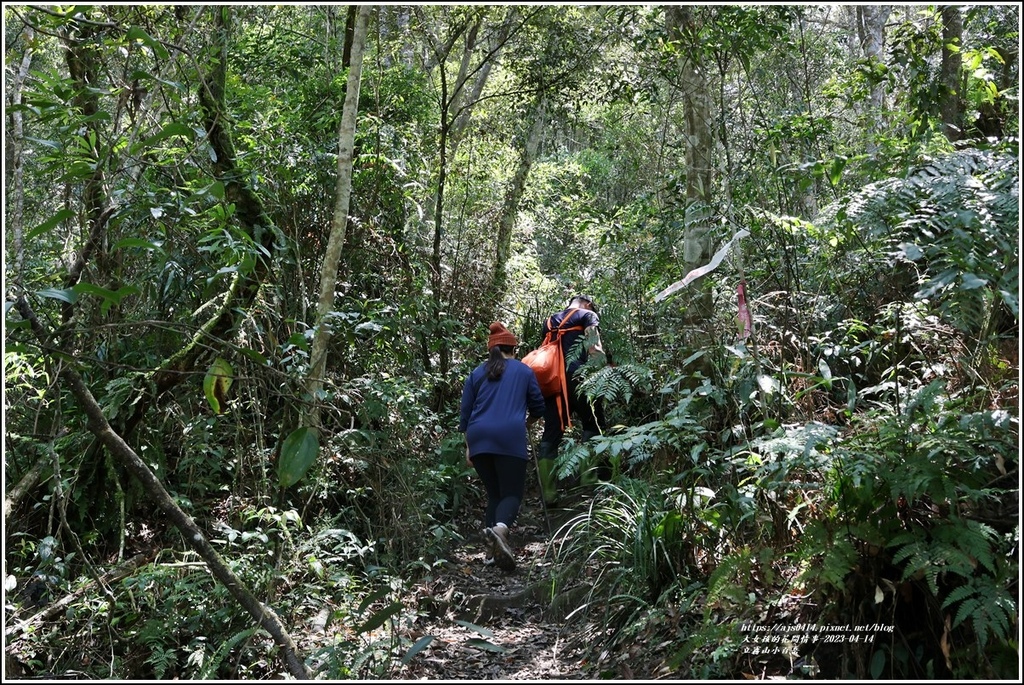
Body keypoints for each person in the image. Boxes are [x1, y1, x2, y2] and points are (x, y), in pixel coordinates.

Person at [460, 321, 546, 571]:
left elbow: (465, 415)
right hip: (509, 436)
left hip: (479, 439)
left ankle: (491, 553)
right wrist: (527, 423)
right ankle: (500, 530)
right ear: (514, 349)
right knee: (511, 493)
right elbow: (539, 406)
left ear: (491, 351)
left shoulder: (476, 373)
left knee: (495, 494)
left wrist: (468, 447)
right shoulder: (523, 371)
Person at [536, 294, 608, 505]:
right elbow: (594, 347)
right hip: (580, 379)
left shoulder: (549, 321)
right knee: (593, 424)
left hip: (554, 383)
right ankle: (589, 478)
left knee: (551, 433)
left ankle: (549, 493)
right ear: (586, 304)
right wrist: (603, 375)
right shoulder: (588, 315)